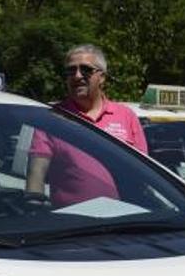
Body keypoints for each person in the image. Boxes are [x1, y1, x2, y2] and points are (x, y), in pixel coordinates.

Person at [25, 44, 147, 207]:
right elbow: (36, 174)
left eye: (86, 70)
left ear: (102, 77)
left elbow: (143, 173)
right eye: (71, 71)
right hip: (75, 224)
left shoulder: (126, 116)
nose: (77, 76)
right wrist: (35, 208)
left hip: (124, 220)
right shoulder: (53, 118)